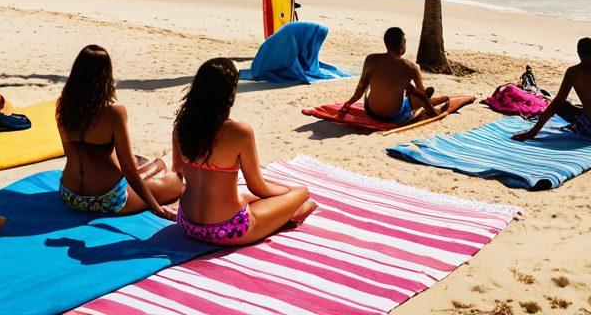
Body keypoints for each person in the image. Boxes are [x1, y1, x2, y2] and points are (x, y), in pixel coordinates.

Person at [172, 58, 316, 245]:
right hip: (229, 229)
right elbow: (257, 187)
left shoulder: (181, 127)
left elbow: (177, 170)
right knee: (301, 192)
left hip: (187, 224)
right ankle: (290, 212)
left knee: (247, 196)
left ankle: (285, 212)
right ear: (229, 92)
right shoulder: (239, 132)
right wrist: (287, 192)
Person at [56, 45, 182, 217]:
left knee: (134, 162)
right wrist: (155, 207)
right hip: (106, 199)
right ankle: (162, 164)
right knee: (176, 183)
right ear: (106, 75)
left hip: (69, 194)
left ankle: (160, 163)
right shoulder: (113, 111)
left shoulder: (63, 105)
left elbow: (69, 152)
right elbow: (129, 170)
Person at [512, 37, 591, 143]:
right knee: (572, 105)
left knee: (558, 104)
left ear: (578, 53)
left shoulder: (574, 72)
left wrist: (531, 133)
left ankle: (536, 131)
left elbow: (557, 103)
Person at [337, 26, 450, 125]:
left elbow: (360, 89)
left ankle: (422, 98)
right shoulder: (411, 67)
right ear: (402, 46)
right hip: (395, 116)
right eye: (405, 42)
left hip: (371, 112)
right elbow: (421, 95)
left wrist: (348, 103)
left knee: (369, 85)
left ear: (386, 43)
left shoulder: (371, 59)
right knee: (423, 93)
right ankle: (431, 101)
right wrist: (414, 91)